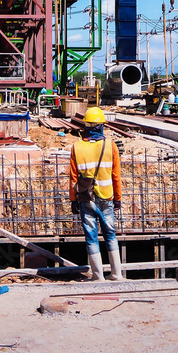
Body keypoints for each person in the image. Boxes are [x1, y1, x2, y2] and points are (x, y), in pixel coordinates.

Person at [69, 108, 123, 282]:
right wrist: (118, 198)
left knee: (91, 237)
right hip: (107, 196)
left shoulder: (77, 147)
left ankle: (98, 276)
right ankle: (117, 274)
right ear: (100, 126)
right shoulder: (111, 145)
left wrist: (73, 200)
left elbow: (73, 178)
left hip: (86, 198)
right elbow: (116, 176)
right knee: (110, 234)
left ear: (86, 126)